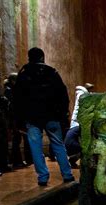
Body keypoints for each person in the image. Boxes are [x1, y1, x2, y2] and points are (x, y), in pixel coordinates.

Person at [13, 47, 74, 186]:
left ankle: (42, 177)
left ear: (29, 57)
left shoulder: (24, 73)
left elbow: (18, 99)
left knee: (35, 147)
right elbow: (62, 94)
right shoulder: (51, 72)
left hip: (32, 118)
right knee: (58, 145)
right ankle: (67, 174)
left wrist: (19, 119)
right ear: (42, 57)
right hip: (52, 116)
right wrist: (63, 113)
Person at [4, 73, 32, 168]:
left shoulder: (12, 90)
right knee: (17, 140)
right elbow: (13, 106)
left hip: (16, 118)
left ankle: (19, 160)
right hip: (15, 119)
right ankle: (17, 161)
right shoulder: (10, 91)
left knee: (19, 139)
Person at [64, 83, 94, 168]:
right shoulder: (77, 127)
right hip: (70, 147)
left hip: (68, 146)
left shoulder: (73, 128)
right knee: (86, 149)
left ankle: (72, 161)